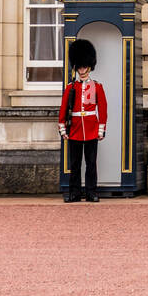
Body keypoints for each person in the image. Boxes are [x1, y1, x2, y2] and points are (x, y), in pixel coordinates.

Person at [58, 38, 107, 203]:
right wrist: (63, 127)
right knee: (75, 164)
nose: (82, 70)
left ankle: (92, 192)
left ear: (90, 67)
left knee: (91, 164)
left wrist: (101, 129)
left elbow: (103, 109)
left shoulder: (97, 87)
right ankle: (74, 193)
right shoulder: (71, 87)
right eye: (79, 67)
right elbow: (64, 108)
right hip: (76, 129)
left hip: (92, 128)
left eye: (85, 66)